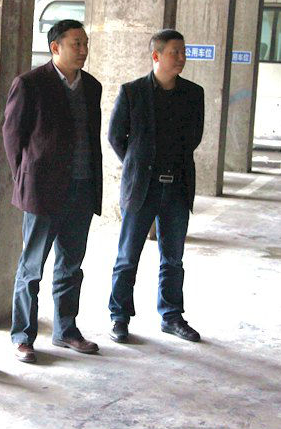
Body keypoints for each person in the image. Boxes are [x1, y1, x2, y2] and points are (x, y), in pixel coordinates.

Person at [3, 19, 103, 363]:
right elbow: (12, 137)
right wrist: (25, 178)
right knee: (32, 268)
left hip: (82, 189)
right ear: (55, 47)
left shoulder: (91, 86)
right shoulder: (30, 83)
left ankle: (66, 330)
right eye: (76, 44)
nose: (83, 50)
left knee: (71, 266)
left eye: (85, 44)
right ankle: (23, 336)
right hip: (42, 192)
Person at [106, 29, 204, 344]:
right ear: (156, 55)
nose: (181, 58)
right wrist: (137, 164)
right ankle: (119, 317)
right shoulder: (132, 92)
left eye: (183, 52)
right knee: (127, 257)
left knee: (173, 258)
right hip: (142, 188)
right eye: (175, 52)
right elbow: (115, 137)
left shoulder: (194, 94)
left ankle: (171, 316)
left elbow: (194, 137)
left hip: (177, 189)